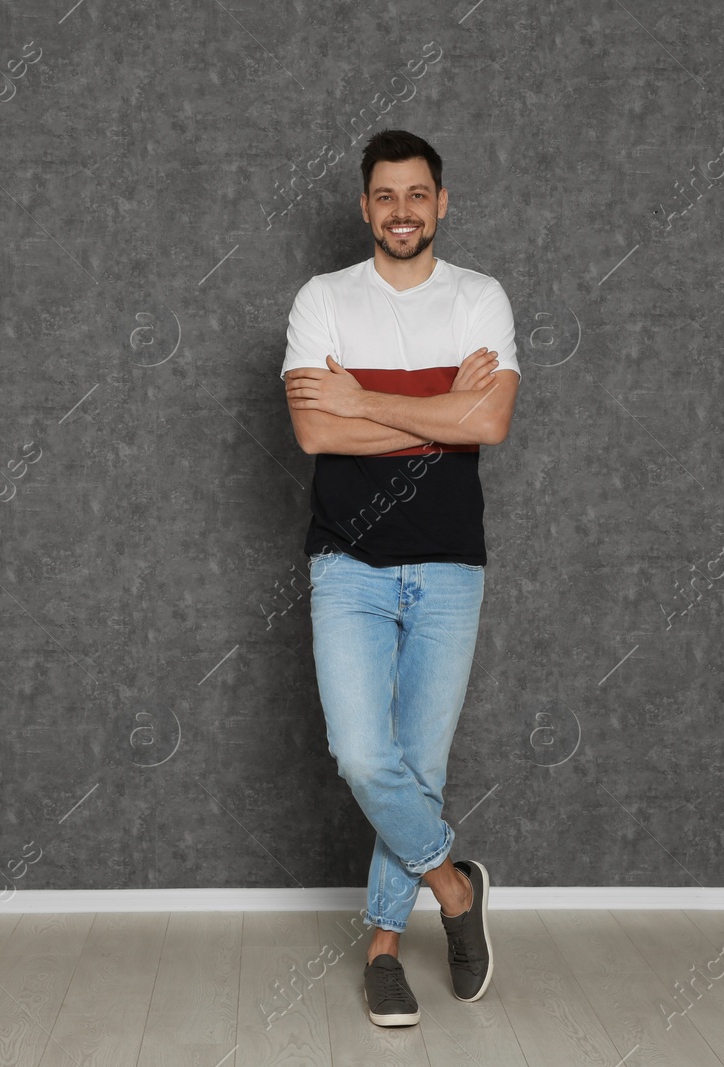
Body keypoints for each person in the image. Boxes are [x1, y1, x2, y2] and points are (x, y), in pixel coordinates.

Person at [280, 129, 521, 1027]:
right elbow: (315, 434)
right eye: (386, 196)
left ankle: (383, 949)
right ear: (365, 207)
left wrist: (366, 401)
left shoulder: (479, 299)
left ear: (442, 203)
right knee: (362, 754)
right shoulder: (323, 300)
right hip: (348, 561)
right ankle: (455, 890)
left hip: (451, 563)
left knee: (419, 764)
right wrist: (440, 416)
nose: (402, 211)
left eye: (418, 195)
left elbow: (489, 422)